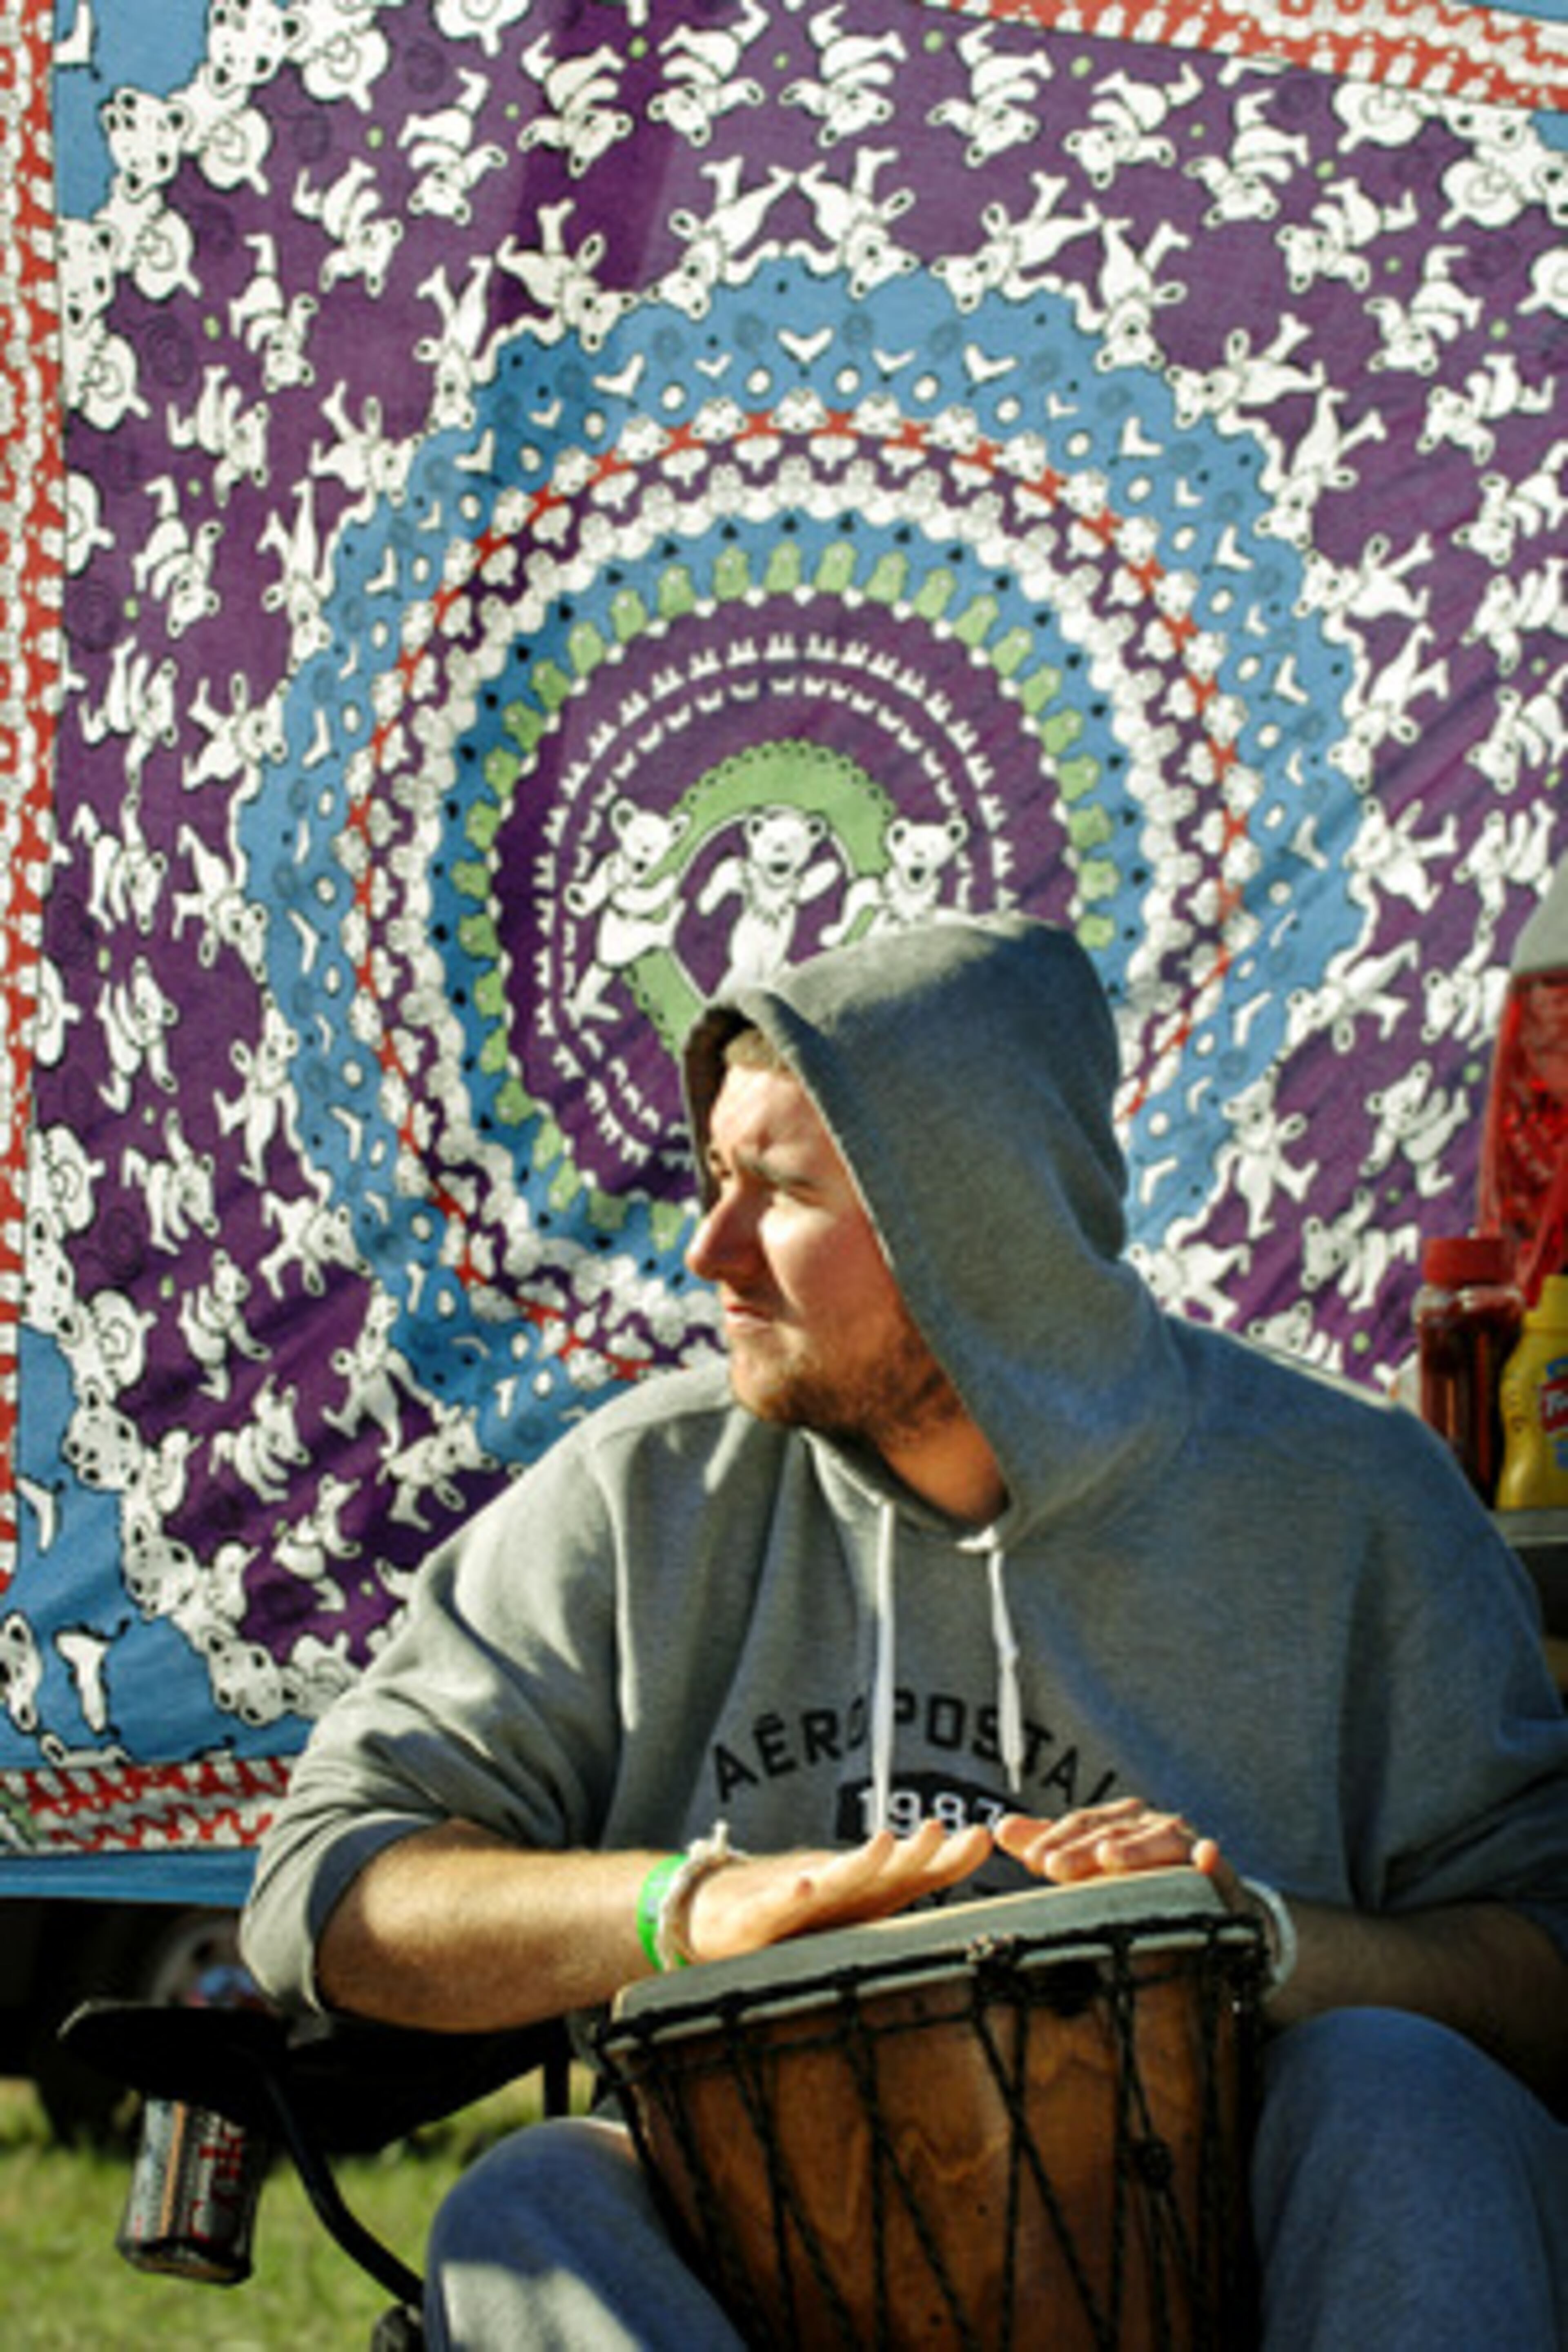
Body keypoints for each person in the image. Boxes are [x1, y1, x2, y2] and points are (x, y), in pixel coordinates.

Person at [241, 912, 1568, 2349]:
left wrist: (1260, 1941)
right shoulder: (644, 1498)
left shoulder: (1352, 1502)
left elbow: (1548, 1970)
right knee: (531, 2203)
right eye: (712, 1179)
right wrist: (683, 1913)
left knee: (1398, 2087)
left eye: (780, 1193)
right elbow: (322, 1888)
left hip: (1236, 2263)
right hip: (776, 2259)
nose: (710, 1250)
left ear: (969, 1229)